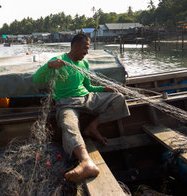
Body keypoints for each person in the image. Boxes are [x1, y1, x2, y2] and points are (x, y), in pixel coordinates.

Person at [32, 33, 130, 182]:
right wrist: (49, 66)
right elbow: (36, 79)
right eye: (85, 48)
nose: (87, 52)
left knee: (118, 99)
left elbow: (88, 87)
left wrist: (105, 89)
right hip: (66, 103)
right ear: (75, 46)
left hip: (86, 98)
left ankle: (92, 127)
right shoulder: (58, 61)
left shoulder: (84, 63)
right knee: (68, 123)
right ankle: (86, 162)